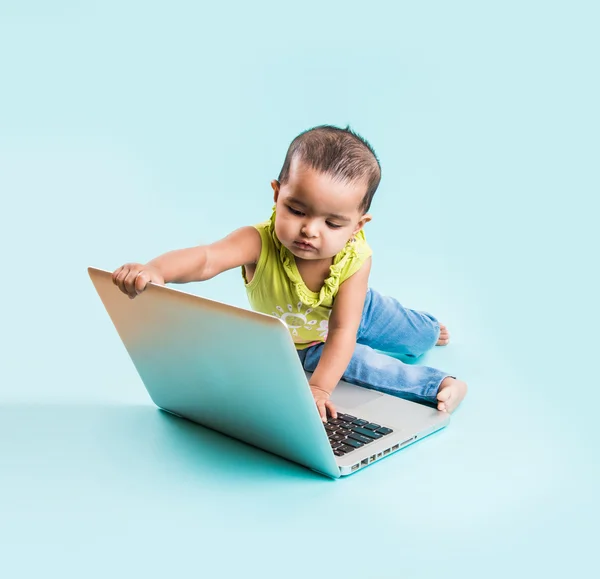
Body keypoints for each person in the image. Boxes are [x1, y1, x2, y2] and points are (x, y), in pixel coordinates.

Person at [112, 125, 467, 422]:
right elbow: (207, 258)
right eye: (297, 210)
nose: (310, 230)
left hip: (356, 312)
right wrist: (156, 269)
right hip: (307, 342)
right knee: (370, 367)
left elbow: (345, 329)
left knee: (415, 337)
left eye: (332, 223)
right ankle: (440, 384)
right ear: (277, 194)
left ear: (357, 226)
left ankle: (429, 327)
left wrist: (319, 389)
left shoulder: (356, 258)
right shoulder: (257, 242)